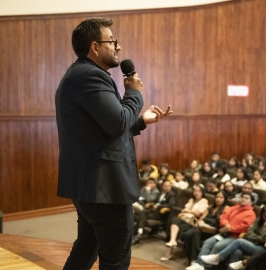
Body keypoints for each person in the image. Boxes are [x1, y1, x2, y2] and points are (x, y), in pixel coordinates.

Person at [55, 18, 173, 270]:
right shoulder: (90, 77)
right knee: (116, 259)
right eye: (113, 41)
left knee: (87, 246)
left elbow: (104, 128)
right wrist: (134, 92)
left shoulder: (79, 74)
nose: (118, 47)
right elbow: (118, 121)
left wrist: (140, 121)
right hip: (104, 187)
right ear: (95, 47)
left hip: (90, 184)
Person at [186, 192, 256, 270]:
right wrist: (226, 225)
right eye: (243, 197)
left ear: (251, 202)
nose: (243, 199)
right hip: (224, 233)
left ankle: (206, 267)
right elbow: (223, 217)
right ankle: (199, 264)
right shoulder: (233, 208)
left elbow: (245, 227)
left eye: (246, 198)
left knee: (218, 246)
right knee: (208, 242)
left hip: (234, 237)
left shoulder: (251, 214)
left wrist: (231, 228)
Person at [202, 205, 266, 269]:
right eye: (265, 216)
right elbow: (249, 232)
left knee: (239, 241)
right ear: (262, 215)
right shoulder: (258, 220)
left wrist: (265, 226)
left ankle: (218, 257)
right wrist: (257, 237)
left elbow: (264, 239)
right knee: (237, 251)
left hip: (261, 248)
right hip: (250, 243)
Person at [161, 185, 208, 261]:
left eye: (199, 191)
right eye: (195, 191)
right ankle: (172, 241)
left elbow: (198, 213)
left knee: (177, 228)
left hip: (192, 222)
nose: (196, 193)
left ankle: (169, 252)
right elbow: (183, 210)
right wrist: (189, 211)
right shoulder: (191, 200)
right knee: (175, 220)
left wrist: (188, 211)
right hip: (184, 219)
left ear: (202, 192)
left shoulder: (204, 201)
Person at [183, 191, 229, 266]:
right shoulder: (210, 207)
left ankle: (195, 260)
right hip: (203, 227)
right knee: (186, 235)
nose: (218, 199)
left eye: (221, 198)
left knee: (195, 233)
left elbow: (222, 222)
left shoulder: (226, 208)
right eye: (217, 197)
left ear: (225, 199)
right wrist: (199, 222)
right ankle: (193, 258)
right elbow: (202, 218)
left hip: (213, 229)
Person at [132, 178, 160, 244]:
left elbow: (149, 199)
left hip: (146, 208)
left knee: (133, 206)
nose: (149, 184)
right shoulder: (143, 188)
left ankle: (137, 233)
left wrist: (148, 191)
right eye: (148, 183)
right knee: (131, 208)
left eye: (151, 183)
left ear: (155, 184)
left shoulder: (156, 192)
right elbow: (138, 196)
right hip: (139, 204)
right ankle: (134, 232)